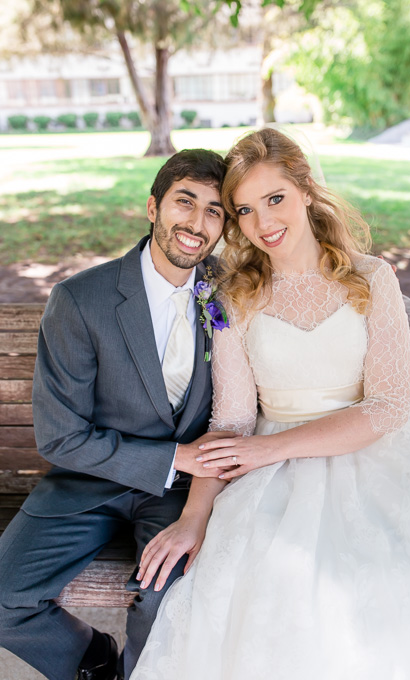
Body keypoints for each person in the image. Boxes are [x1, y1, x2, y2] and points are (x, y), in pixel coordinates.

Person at [130, 128, 410, 680]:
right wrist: (194, 514)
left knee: (404, 574)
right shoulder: (232, 295)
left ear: (306, 189)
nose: (263, 224)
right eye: (245, 210)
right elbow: (231, 419)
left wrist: (267, 448)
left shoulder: (373, 279)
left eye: (275, 199)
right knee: (270, 584)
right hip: (271, 476)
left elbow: (389, 405)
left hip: (378, 456)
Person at [0, 148, 233, 680]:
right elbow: (60, 439)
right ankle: (95, 660)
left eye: (215, 210)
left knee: (166, 600)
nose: (197, 223)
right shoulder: (81, 300)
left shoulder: (233, 292)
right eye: (184, 202)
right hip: (88, 482)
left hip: (185, 493)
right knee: (4, 597)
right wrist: (176, 456)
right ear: (153, 207)